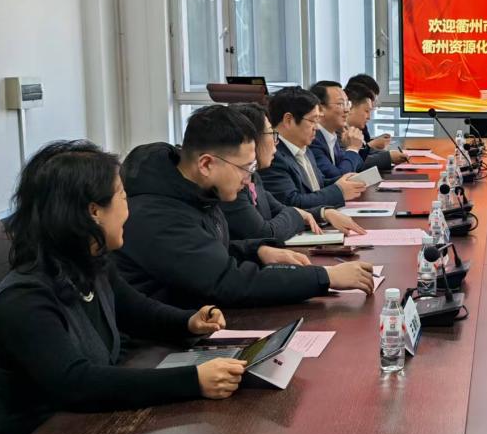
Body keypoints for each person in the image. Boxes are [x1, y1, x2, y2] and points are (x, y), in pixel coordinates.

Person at [0, 141, 241, 434]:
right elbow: (77, 382)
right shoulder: (25, 299)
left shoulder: (90, 263)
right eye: (122, 196)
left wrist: (188, 322)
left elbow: (134, 309)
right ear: (93, 211)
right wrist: (193, 380)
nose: (129, 208)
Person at [114, 105, 374, 307]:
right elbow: (226, 281)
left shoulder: (196, 190)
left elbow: (210, 250)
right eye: (245, 168)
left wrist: (257, 251)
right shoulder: (158, 214)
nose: (249, 179)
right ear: (206, 164)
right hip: (156, 345)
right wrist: (326, 277)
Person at [220, 103, 365, 241]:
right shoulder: (234, 184)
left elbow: (279, 208)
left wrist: (324, 213)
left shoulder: (253, 176)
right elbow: (265, 232)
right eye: (271, 133)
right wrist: (297, 214)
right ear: (250, 140)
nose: (275, 141)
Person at [261, 87, 367, 210]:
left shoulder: (305, 149)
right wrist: (339, 191)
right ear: (288, 120)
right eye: (312, 121)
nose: (316, 127)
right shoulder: (273, 156)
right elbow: (292, 202)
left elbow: (318, 185)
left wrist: (346, 181)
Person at [310, 81, 368, 183]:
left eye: (347, 103)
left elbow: (356, 166)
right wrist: (353, 148)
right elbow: (339, 178)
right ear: (320, 109)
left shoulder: (332, 134)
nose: (347, 110)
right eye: (341, 104)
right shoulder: (313, 139)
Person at [344, 82, 408, 171]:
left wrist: (389, 154)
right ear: (349, 107)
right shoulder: (339, 133)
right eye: (366, 111)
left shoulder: (354, 129)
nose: (369, 117)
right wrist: (388, 157)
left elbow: (364, 152)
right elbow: (356, 163)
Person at [348, 73, 388, 152]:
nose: (372, 103)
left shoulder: (361, 126)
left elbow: (364, 147)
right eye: (370, 98)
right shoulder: (340, 130)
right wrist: (372, 145)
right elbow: (358, 155)